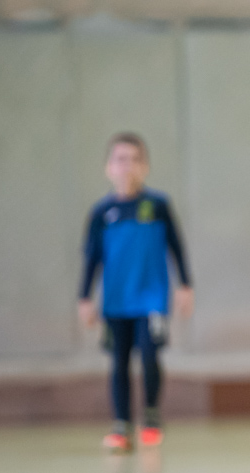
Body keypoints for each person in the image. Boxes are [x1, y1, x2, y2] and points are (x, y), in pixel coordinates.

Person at [78, 132, 193, 452]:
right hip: (116, 301)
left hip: (151, 298)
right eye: (120, 159)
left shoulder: (157, 206)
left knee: (150, 354)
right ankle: (121, 425)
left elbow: (176, 247)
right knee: (119, 362)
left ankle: (152, 417)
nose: (127, 166)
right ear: (108, 167)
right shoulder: (102, 213)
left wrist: (185, 285)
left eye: (134, 159)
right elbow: (91, 258)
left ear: (145, 166)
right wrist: (84, 297)